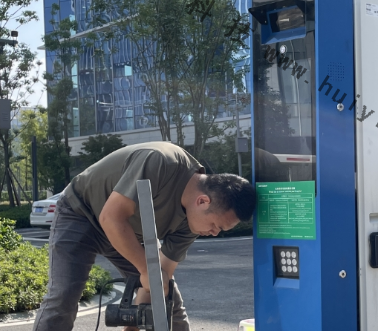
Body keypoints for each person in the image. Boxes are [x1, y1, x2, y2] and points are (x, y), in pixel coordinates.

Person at [32, 141, 256, 331]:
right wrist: (147, 270)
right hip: (81, 213)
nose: (214, 233)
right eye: (216, 226)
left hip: (126, 232)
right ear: (203, 201)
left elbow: (159, 280)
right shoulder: (160, 161)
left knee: (169, 299)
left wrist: (133, 323)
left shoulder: (192, 222)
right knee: (63, 297)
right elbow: (111, 218)